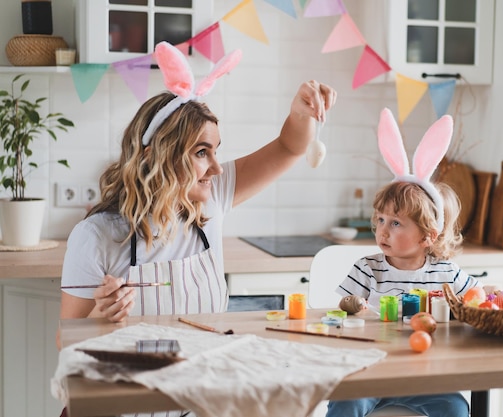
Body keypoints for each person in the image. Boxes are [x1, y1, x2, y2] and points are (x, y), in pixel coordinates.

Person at [58, 42, 336, 331]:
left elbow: (289, 148)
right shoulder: (95, 236)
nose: (216, 168)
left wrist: (302, 112)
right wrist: (100, 316)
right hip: (137, 374)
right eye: (201, 153)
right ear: (155, 156)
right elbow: (65, 340)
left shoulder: (212, 197)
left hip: (204, 368)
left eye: (216, 151)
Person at [327, 109, 482, 417]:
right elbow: (342, 304)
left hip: (426, 375)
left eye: (396, 223)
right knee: (345, 403)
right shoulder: (368, 267)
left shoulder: (444, 272)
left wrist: (471, 307)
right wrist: (353, 302)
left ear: (427, 236)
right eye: (380, 219)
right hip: (369, 371)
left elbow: (477, 298)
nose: (382, 230)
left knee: (456, 408)